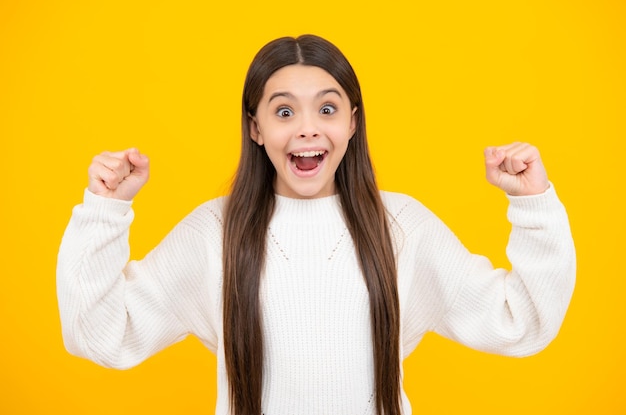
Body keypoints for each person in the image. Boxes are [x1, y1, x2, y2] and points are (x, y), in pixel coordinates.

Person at [57, 34, 576, 415]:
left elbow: (520, 320)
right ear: (255, 128)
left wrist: (532, 206)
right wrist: (105, 212)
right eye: (284, 113)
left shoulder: (400, 226)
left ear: (351, 122)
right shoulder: (214, 232)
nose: (308, 128)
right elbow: (101, 334)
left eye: (326, 109)